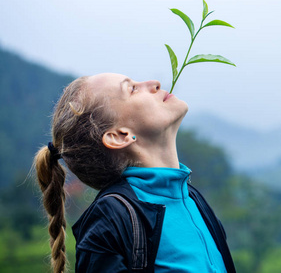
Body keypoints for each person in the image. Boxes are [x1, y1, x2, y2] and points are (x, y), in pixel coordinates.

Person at [34, 73, 236, 273]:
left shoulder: (193, 199)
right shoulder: (110, 219)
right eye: (131, 89)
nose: (155, 83)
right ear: (119, 136)